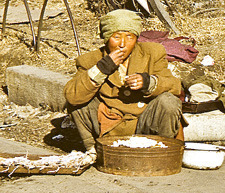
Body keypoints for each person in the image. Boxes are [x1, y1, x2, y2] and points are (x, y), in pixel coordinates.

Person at [64, 9, 184, 152]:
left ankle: (162, 151)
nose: (122, 44)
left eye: (129, 37)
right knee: (78, 98)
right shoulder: (90, 60)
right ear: (107, 38)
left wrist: (148, 83)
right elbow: (71, 95)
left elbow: (175, 86)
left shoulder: (152, 53)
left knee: (168, 101)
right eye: (116, 37)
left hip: (144, 122)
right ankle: (94, 151)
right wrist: (102, 69)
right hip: (110, 124)